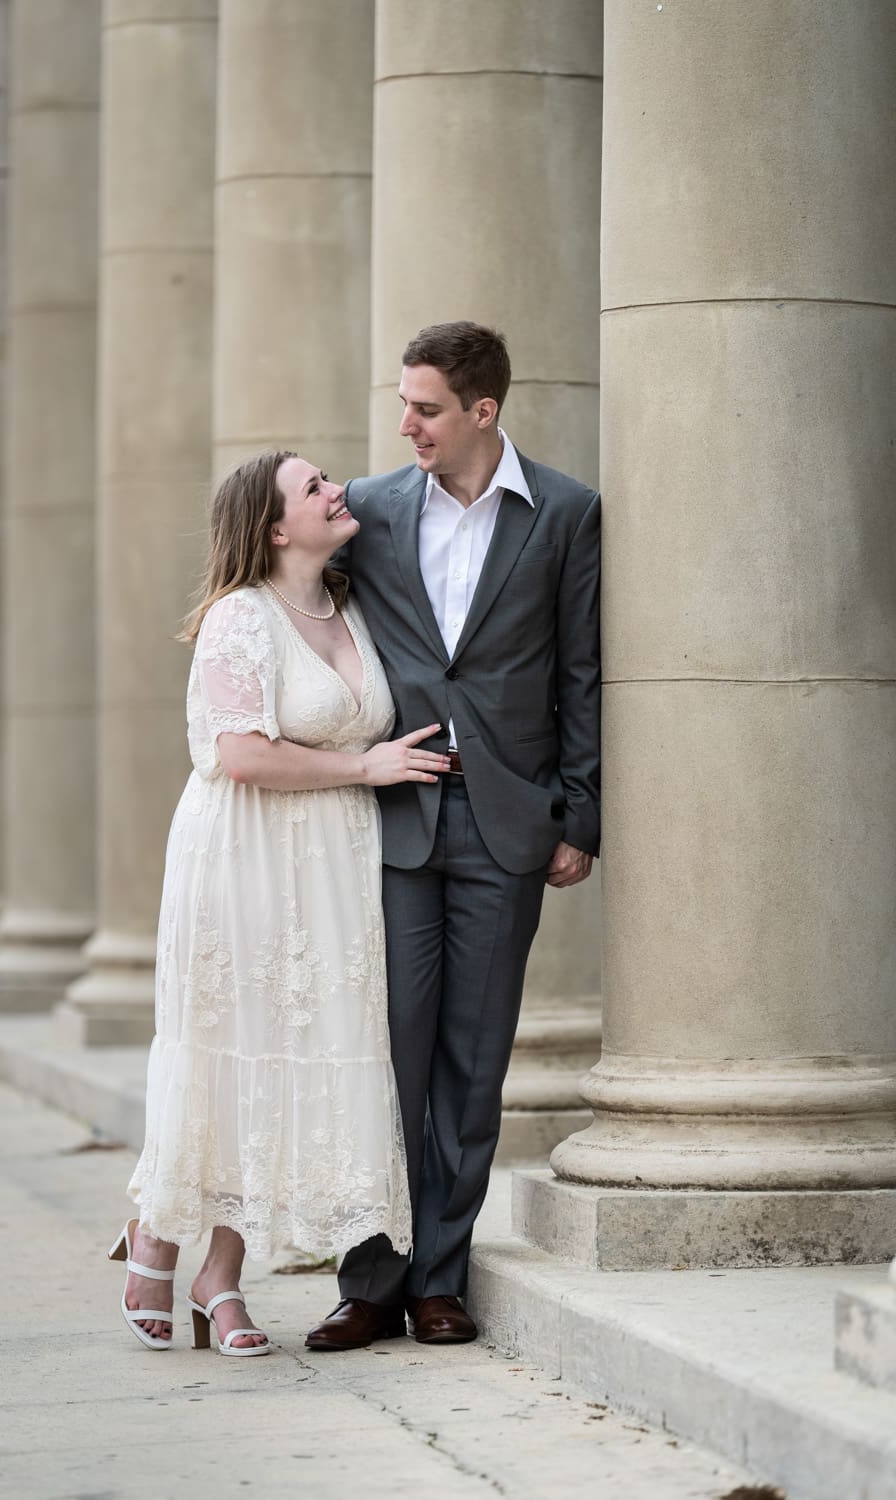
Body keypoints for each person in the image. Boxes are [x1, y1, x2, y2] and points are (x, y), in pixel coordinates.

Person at [109, 450, 450, 1355]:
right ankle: (155, 1242)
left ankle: (221, 1278)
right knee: (230, 1055)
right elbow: (244, 752)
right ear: (272, 528)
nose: (338, 492)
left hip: (332, 864)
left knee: (282, 1060)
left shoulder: (353, 607)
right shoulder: (239, 619)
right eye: (313, 489)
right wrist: (365, 766)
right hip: (245, 856)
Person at [306, 322, 601, 1351]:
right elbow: (299, 596)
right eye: (403, 404)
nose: (405, 424)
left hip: (507, 820)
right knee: (384, 1055)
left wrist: (580, 813)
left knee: (471, 1067)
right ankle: (369, 1279)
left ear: (483, 410)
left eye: (425, 407)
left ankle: (440, 1278)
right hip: (388, 817)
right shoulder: (373, 508)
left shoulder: (565, 512)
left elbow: (579, 672)